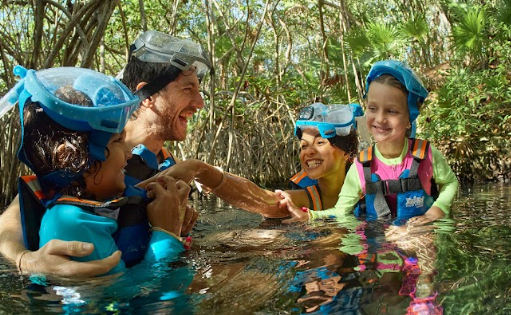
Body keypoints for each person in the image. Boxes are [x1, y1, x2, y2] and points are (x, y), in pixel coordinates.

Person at [0, 31, 210, 277]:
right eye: (187, 89)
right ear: (149, 97)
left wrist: (177, 226)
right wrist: (26, 261)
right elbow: (9, 225)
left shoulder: (165, 162)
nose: (200, 102)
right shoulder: (85, 151)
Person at [278, 59, 459, 225]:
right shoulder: (361, 165)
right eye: (373, 108)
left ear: (409, 117)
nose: (380, 118)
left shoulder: (426, 154)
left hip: (420, 236)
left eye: (392, 111)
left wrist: (436, 211)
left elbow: (450, 183)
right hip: (378, 245)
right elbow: (341, 211)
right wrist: (310, 215)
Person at [142, 102, 363, 217]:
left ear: (347, 153)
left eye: (320, 143)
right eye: (303, 146)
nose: (309, 152)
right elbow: (261, 198)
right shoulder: (309, 200)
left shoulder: (372, 192)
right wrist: (199, 169)